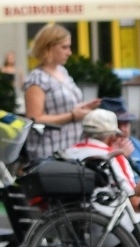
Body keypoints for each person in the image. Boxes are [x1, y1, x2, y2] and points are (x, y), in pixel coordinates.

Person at [22, 24, 100, 161]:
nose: (69, 52)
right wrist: (72, 116)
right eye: (64, 47)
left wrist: (82, 108)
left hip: (71, 147)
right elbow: (34, 118)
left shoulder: (62, 71)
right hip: (51, 151)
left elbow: (64, 106)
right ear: (48, 47)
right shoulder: (37, 78)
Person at [65, 108, 140, 193]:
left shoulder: (67, 153)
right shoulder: (115, 157)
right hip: (102, 205)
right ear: (112, 136)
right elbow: (134, 198)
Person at [101, 96, 140, 176]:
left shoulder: (137, 144)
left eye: (125, 123)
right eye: (118, 123)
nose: (122, 129)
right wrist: (116, 157)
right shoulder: (101, 147)